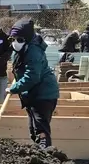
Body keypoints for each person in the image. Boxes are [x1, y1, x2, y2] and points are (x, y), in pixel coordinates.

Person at [8, 18, 60, 148]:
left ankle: (46, 155)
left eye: (19, 39)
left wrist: (15, 88)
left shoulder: (34, 51)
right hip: (33, 94)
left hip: (43, 94)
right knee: (34, 129)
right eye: (13, 39)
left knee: (41, 130)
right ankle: (39, 153)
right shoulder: (21, 50)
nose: (15, 42)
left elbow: (32, 76)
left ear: (26, 39)